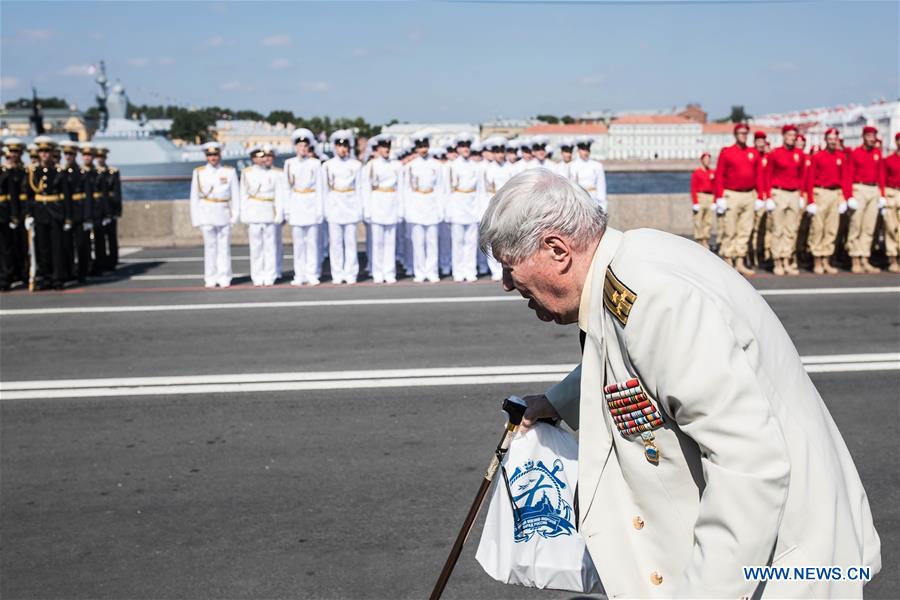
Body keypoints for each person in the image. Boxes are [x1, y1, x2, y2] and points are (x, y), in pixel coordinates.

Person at [478, 168, 881, 598]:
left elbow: (749, 463)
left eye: (509, 267)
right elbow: (631, 359)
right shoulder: (631, 263)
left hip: (787, 566)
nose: (507, 285)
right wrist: (559, 403)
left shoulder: (654, 297)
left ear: (556, 249)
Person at [714, 123, 764, 276]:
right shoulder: (727, 152)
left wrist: (760, 196)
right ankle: (728, 260)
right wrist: (719, 197)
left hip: (749, 195)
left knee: (745, 229)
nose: (743, 135)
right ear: (735, 135)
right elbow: (719, 176)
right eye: (740, 133)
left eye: (745, 133)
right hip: (732, 194)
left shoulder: (753, 153)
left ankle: (740, 261)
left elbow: (759, 176)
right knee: (730, 228)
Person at [190, 142, 239, 288]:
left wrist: (235, 215)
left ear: (220, 155)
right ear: (206, 156)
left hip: (224, 213)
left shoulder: (229, 172)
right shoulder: (198, 172)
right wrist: (196, 219)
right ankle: (210, 277)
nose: (213, 158)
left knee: (224, 248)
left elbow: (235, 196)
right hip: (206, 214)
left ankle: (224, 276)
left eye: (215, 155)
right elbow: (194, 197)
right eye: (210, 155)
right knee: (210, 247)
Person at [26, 136, 70, 290]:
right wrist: (29, 214)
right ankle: (45, 278)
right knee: (42, 248)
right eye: (41, 151)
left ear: (52, 153)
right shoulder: (33, 171)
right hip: (40, 213)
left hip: (55, 212)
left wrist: (68, 218)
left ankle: (58, 278)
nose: (44, 154)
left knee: (56, 248)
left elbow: (66, 196)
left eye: (47, 151)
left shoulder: (59, 171)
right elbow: (29, 195)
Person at [360, 134, 403, 283]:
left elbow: (401, 189)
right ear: (378, 148)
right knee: (377, 242)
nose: (386, 149)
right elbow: (365, 189)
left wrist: (400, 210)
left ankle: (389, 272)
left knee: (390, 242)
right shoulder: (370, 166)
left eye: (388, 147)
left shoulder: (396, 165)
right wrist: (367, 210)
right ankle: (378, 272)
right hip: (377, 204)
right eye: (384, 147)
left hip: (391, 204)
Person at [283, 128, 324, 286]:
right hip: (296, 205)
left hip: (311, 203)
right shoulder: (289, 164)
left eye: (305, 146)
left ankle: (312, 273)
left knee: (312, 242)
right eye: (300, 146)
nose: (303, 149)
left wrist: (320, 210)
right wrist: (287, 210)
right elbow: (286, 189)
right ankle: (299, 274)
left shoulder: (315, 163)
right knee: (298, 244)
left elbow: (320, 188)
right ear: (295, 147)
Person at [443, 132, 484, 282]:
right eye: (462, 146)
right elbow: (446, 191)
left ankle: (470, 270)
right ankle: (458, 271)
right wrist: (447, 212)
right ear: (458, 149)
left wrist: (480, 210)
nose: (465, 148)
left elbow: (481, 190)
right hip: (457, 207)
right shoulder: (450, 166)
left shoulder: (476, 167)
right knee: (458, 242)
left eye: (467, 146)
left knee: (471, 242)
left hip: (472, 207)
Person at [322, 130, 363, 284]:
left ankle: (351, 272)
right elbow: (324, 190)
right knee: (336, 243)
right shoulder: (327, 166)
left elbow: (360, 188)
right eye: (339, 146)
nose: (342, 149)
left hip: (351, 205)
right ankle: (337, 273)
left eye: (345, 146)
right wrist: (324, 209)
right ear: (334, 147)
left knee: (351, 242)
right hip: (334, 206)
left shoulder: (356, 165)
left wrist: (361, 209)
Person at [240, 145, 284, 286]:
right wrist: (244, 213)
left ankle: (270, 274)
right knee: (256, 247)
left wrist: (279, 213)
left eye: (265, 156)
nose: (264, 159)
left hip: (269, 212)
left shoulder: (275, 173)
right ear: (253, 158)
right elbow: (243, 195)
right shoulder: (247, 173)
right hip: (254, 212)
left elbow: (279, 195)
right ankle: (257, 275)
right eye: (260, 156)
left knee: (270, 246)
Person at [806, 128, 848, 274]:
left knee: (831, 228)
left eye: (834, 138)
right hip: (821, 193)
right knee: (818, 228)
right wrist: (810, 200)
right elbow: (810, 179)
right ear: (826, 139)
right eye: (830, 138)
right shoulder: (818, 157)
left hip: (835, 193)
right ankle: (817, 260)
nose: (832, 141)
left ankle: (826, 260)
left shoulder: (841, 157)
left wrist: (844, 197)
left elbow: (844, 178)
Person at [403, 132, 443, 283]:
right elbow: (406, 190)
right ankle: (419, 271)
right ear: (416, 148)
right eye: (420, 146)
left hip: (432, 204)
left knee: (432, 242)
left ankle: (432, 271)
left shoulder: (437, 165)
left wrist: (441, 209)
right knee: (418, 242)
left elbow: (441, 189)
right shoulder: (409, 166)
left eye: (425, 146)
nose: (423, 149)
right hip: (416, 205)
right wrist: (407, 210)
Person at [766, 125, 806, 275]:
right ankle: (777, 261)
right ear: (784, 136)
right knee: (778, 229)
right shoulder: (775, 153)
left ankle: (786, 259)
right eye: (789, 135)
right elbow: (767, 175)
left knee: (791, 230)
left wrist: (801, 195)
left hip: (794, 194)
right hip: (779, 192)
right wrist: (768, 197)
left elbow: (801, 176)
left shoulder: (799, 154)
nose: (792, 138)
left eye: (794, 135)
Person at [845, 126, 885, 273]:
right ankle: (855, 258)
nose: (872, 139)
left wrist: (882, 194)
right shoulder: (856, 153)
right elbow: (848, 175)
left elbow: (881, 174)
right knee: (857, 225)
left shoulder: (877, 153)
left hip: (873, 189)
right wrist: (849, 196)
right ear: (864, 137)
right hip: (859, 188)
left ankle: (865, 258)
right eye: (869, 136)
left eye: (874, 136)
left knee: (869, 226)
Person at [569, 137, 608, 212]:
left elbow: (601, 187)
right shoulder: (572, 166)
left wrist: (602, 206)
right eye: (583, 149)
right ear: (578, 150)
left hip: (593, 201)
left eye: (587, 149)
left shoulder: (597, 166)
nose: (586, 152)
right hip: (579, 202)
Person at [689, 152, 715, 249]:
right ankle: (699, 239)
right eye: (705, 159)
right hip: (700, 196)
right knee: (698, 220)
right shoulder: (697, 173)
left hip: (710, 197)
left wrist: (714, 201)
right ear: (702, 160)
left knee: (708, 221)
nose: (707, 161)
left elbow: (715, 187)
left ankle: (705, 239)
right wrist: (695, 202)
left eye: (709, 159)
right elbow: (693, 188)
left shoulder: (712, 172)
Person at [884, 132, 900, 273]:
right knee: (891, 227)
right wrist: (882, 196)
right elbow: (882, 178)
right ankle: (893, 258)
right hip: (892, 193)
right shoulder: (888, 160)